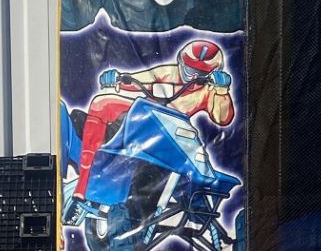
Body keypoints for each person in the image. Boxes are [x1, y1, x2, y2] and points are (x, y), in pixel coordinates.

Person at [65, 39, 234, 223]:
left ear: (212, 73)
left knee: (194, 178)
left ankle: (198, 212)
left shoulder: (209, 92)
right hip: (145, 131)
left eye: (200, 73)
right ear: (181, 62)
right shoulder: (167, 73)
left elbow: (222, 118)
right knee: (101, 103)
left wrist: (222, 91)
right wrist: (116, 78)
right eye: (189, 70)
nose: (193, 77)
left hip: (173, 142)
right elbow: (135, 80)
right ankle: (82, 187)